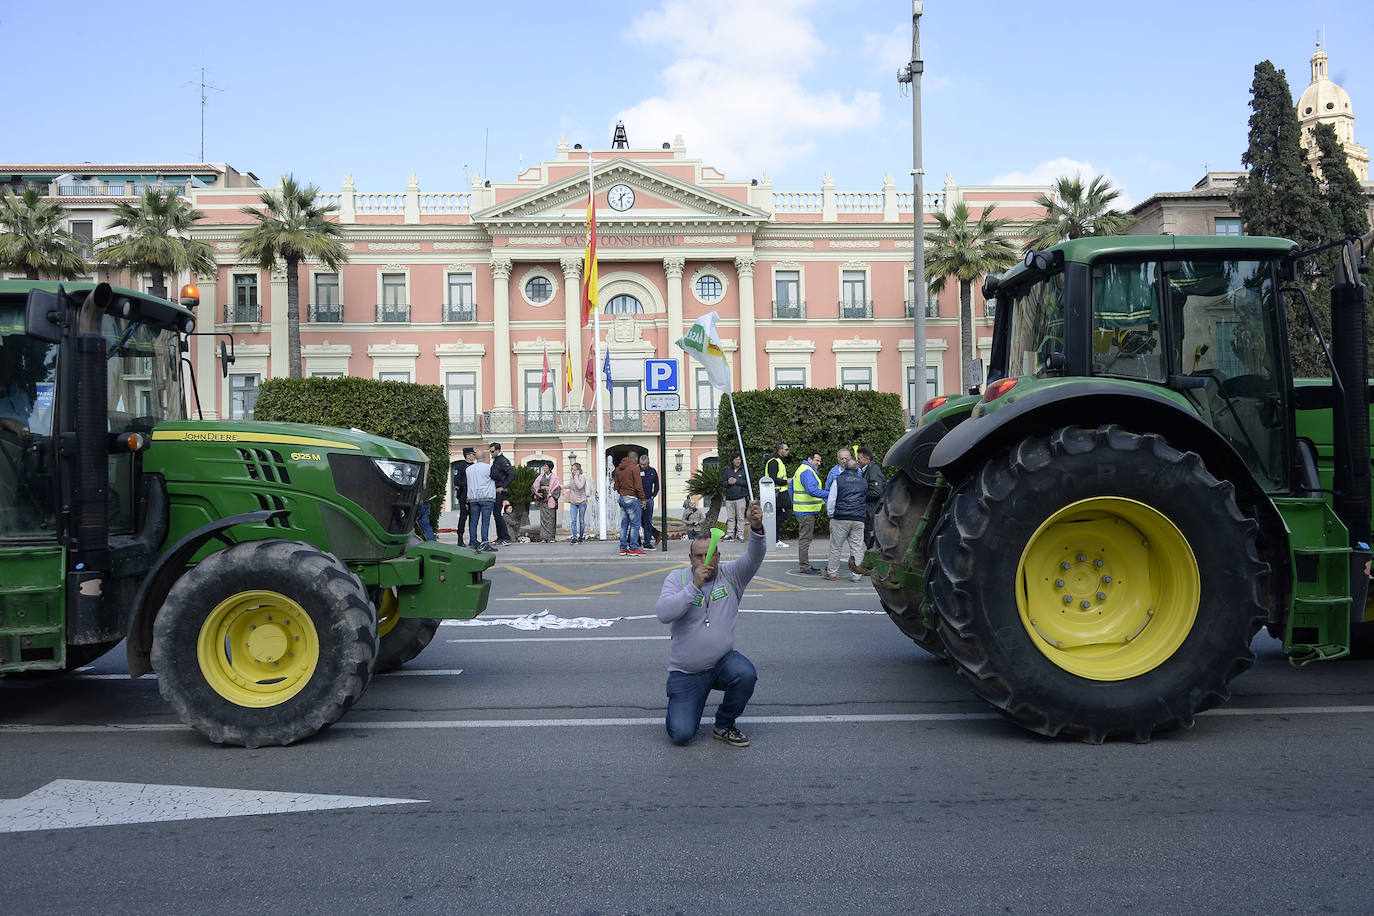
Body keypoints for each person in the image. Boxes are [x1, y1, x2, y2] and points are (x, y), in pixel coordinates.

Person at [656, 500, 766, 747]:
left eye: (710, 555)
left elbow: (755, 556)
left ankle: (724, 724)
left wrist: (757, 528)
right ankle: (687, 702)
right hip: (686, 672)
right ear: (690, 558)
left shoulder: (732, 575)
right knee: (681, 735)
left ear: (719, 555)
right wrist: (693, 587)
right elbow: (664, 613)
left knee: (746, 673)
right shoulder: (678, 578)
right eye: (698, 556)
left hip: (722, 664)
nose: (705, 561)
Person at [824, 458, 867, 581]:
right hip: (858, 518)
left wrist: (831, 514)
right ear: (857, 469)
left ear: (845, 467)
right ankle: (857, 575)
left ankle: (832, 572)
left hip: (841, 518)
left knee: (836, 547)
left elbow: (832, 499)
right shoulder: (863, 481)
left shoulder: (838, 480)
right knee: (857, 547)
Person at [789, 451, 827, 574]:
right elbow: (812, 490)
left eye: (820, 461)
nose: (819, 463)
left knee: (804, 539)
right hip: (806, 511)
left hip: (802, 510)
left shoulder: (801, 469)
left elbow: (791, 488)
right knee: (805, 539)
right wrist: (829, 494)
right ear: (810, 460)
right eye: (817, 460)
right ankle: (804, 566)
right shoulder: (807, 471)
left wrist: (794, 503)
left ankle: (805, 565)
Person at [613, 453, 645, 556]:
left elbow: (616, 486)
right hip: (632, 498)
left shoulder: (618, 469)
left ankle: (623, 548)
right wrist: (642, 498)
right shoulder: (634, 468)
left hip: (622, 498)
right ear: (635, 459)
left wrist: (622, 492)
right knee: (635, 525)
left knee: (624, 524)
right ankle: (633, 548)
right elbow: (638, 485)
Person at [465, 451, 497, 551]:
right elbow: (498, 477)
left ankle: (473, 542)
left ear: (476, 457)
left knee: (473, 521)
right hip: (486, 497)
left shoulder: (469, 469)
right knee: (485, 522)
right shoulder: (488, 467)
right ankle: (484, 543)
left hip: (473, 498)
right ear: (484, 457)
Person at [763, 442, 791, 548]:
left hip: (780, 492)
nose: (788, 451)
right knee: (781, 515)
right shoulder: (774, 462)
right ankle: (773, 539)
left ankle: (774, 539)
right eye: (786, 449)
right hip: (777, 493)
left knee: (779, 516)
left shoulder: (779, 461)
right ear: (780, 450)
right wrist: (786, 482)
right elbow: (772, 479)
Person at [857, 446, 885, 549]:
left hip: (872, 510)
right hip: (870, 510)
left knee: (870, 537)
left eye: (859, 458)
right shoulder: (867, 470)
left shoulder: (873, 471)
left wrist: (859, 496)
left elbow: (876, 492)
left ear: (867, 459)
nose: (857, 461)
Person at [488, 442, 514, 546]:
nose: (491, 453)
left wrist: (503, 486)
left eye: (493, 451)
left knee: (498, 514)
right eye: (490, 451)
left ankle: (505, 538)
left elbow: (512, 473)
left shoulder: (502, 460)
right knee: (496, 514)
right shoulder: (496, 460)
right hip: (496, 490)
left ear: (498, 450)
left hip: (500, 491)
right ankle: (500, 537)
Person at [450, 449, 475, 547]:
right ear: (468, 455)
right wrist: (467, 485)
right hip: (463, 496)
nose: (474, 456)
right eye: (473, 454)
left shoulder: (474, 466)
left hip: (473, 496)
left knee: (473, 518)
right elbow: (456, 481)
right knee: (463, 518)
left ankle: (473, 539)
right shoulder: (460, 466)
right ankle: (460, 539)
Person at [534, 459, 561, 543]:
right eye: (544, 466)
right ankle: (543, 537)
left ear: (550, 468)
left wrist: (550, 494)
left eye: (546, 466)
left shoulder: (555, 478)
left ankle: (551, 537)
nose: (544, 468)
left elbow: (557, 489)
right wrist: (536, 493)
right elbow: (535, 486)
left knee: (551, 519)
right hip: (543, 500)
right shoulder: (540, 477)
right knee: (543, 519)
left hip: (551, 500)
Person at [723, 455, 748, 541]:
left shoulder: (744, 471)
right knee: (730, 517)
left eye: (739, 459)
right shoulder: (727, 471)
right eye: (735, 459)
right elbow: (722, 483)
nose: (737, 461)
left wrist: (737, 481)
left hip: (740, 497)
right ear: (732, 461)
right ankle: (730, 534)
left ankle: (740, 534)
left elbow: (748, 483)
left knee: (741, 517)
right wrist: (728, 482)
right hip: (729, 498)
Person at [639, 453, 660, 548]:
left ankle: (647, 542)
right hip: (638, 500)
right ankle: (636, 541)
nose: (642, 466)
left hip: (648, 499)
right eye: (641, 464)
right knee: (637, 521)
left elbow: (657, 485)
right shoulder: (636, 470)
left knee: (647, 522)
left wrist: (653, 495)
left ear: (648, 463)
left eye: (644, 464)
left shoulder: (653, 471)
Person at [566, 462, 589, 544]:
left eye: (575, 470)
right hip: (573, 502)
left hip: (582, 502)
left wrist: (576, 476)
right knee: (573, 521)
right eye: (572, 469)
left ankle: (581, 537)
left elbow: (579, 486)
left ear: (579, 470)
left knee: (581, 521)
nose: (573, 471)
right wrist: (561, 486)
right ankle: (574, 538)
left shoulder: (582, 477)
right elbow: (570, 486)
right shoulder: (572, 477)